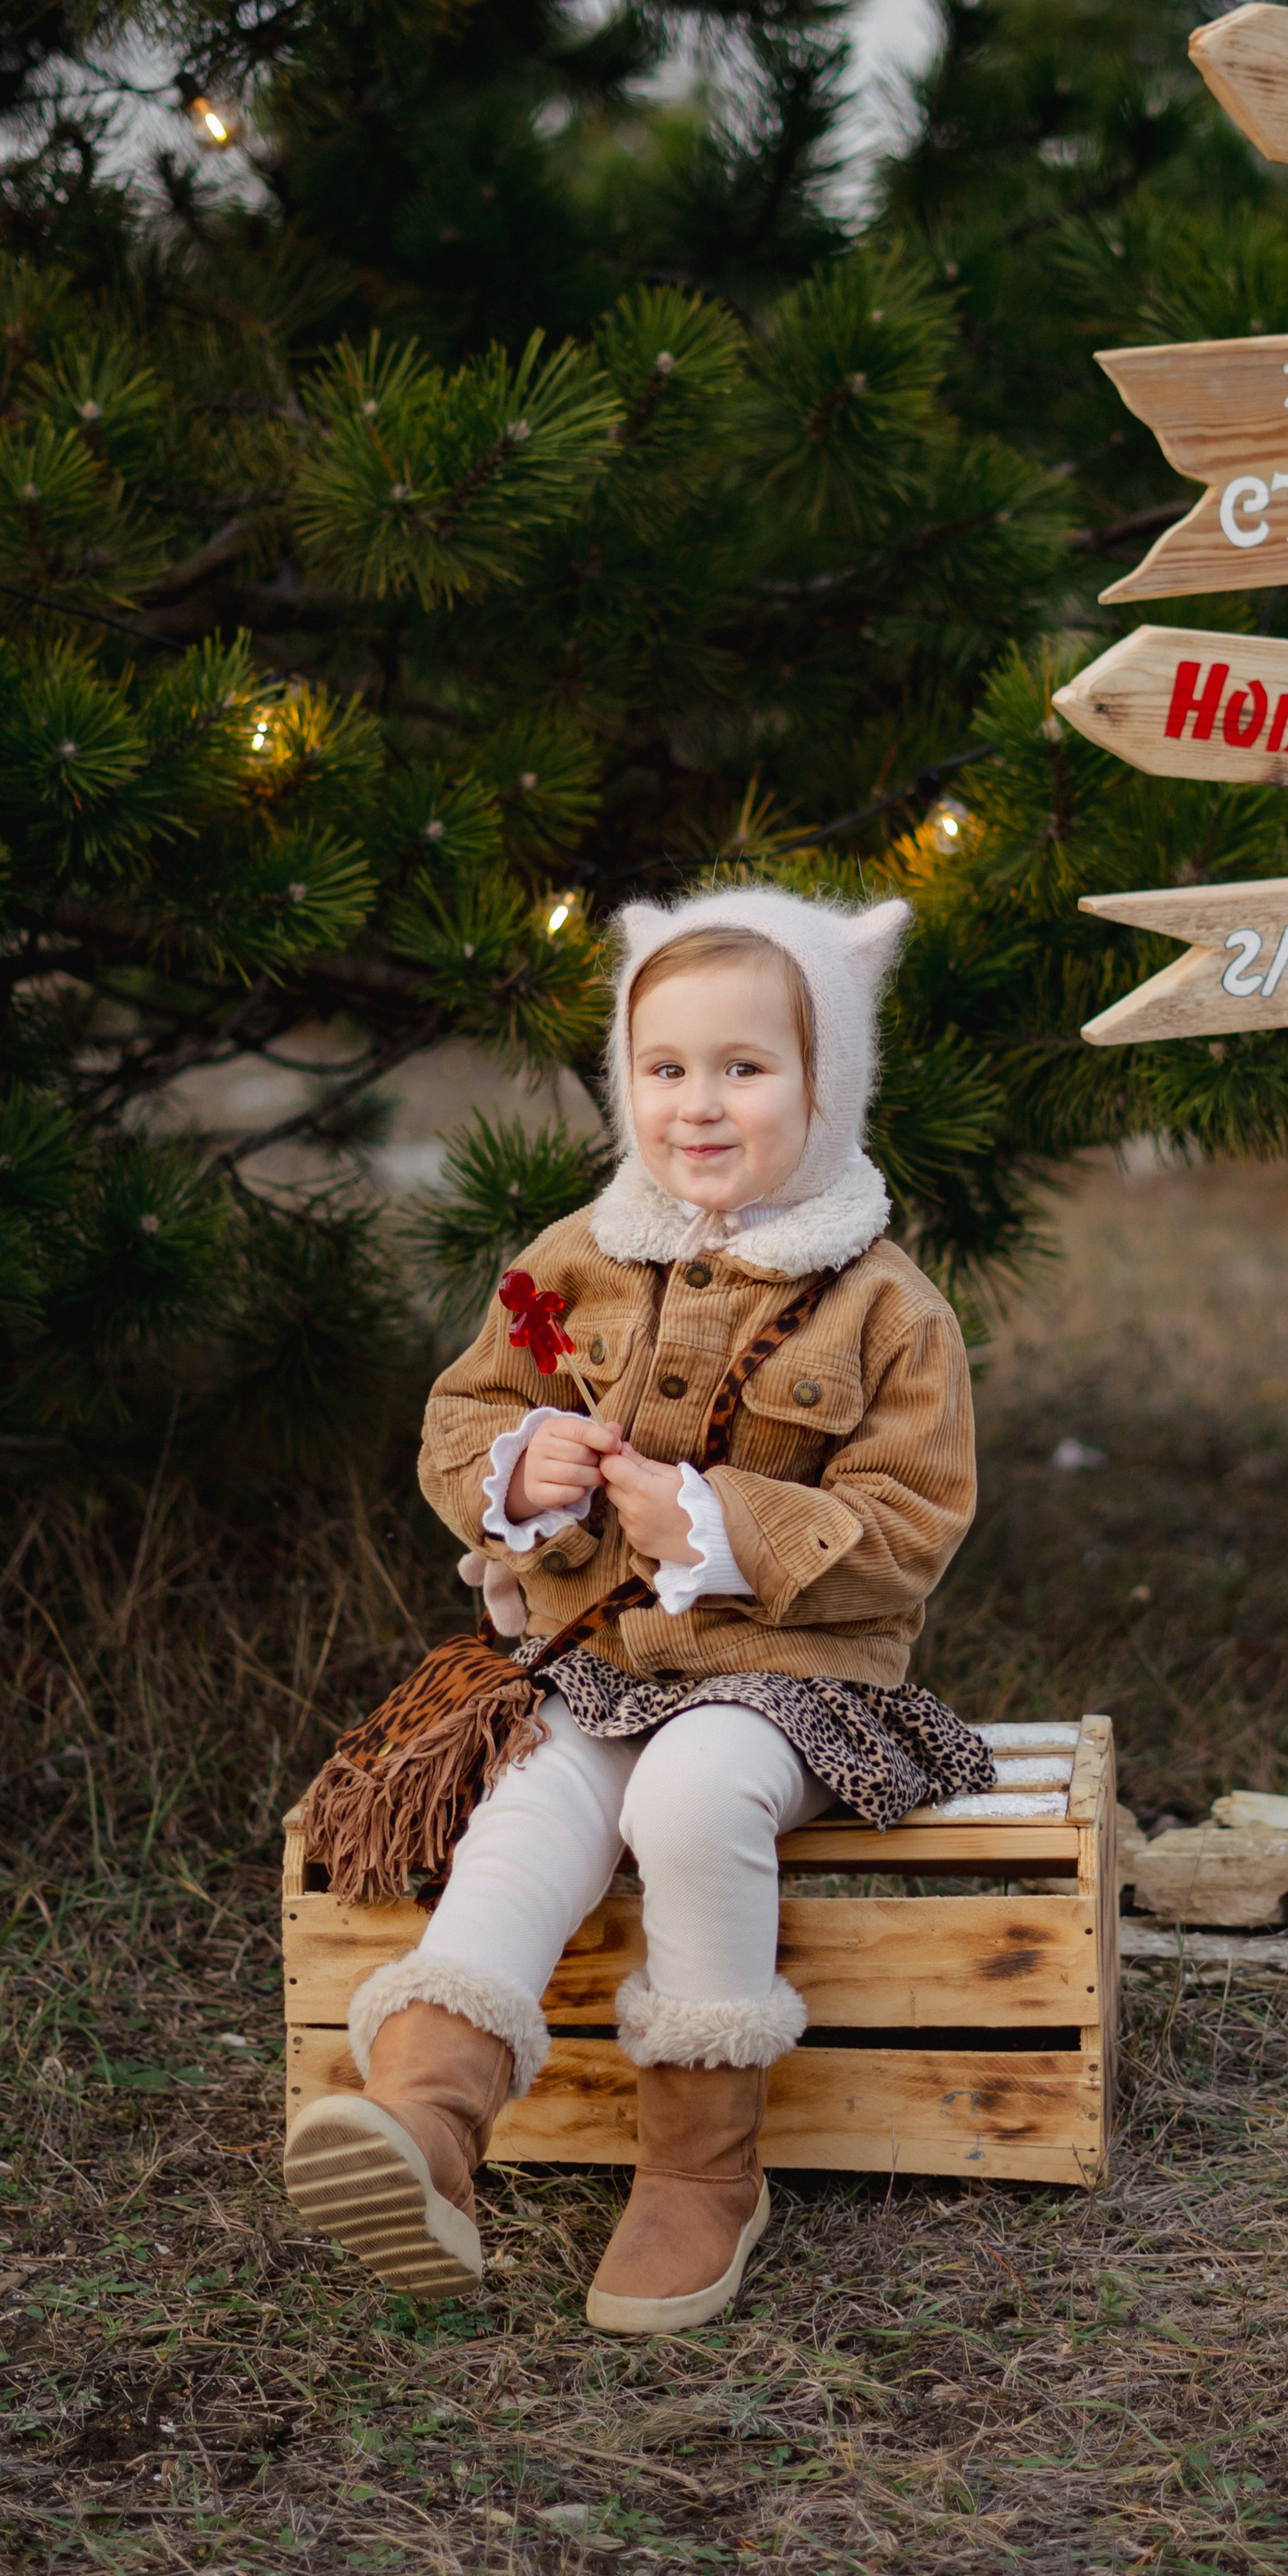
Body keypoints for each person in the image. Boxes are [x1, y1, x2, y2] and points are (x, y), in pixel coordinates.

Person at [283, 886, 991, 2333]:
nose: (701, 1104)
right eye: (666, 1068)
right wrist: (519, 1469)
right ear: (628, 1080)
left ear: (824, 1083)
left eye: (747, 1067)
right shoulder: (575, 1255)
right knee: (535, 1799)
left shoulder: (889, 1305)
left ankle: (701, 2166)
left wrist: (723, 1529)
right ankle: (425, 2113)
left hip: (792, 1681)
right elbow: (469, 1406)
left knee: (687, 1794)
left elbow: (911, 1527)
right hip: (597, 1656)